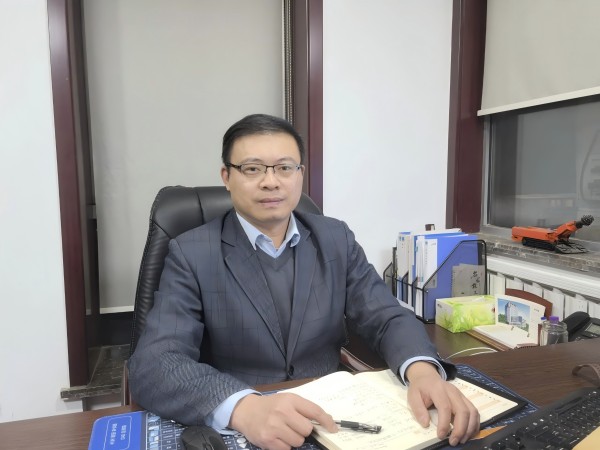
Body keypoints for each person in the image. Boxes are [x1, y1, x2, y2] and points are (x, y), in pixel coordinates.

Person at [128, 113, 480, 450]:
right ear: (227, 176)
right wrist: (243, 408)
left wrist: (421, 370)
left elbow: (385, 316)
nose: (271, 181)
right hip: (247, 423)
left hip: (333, 418)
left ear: (300, 174)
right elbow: (156, 362)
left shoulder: (335, 238)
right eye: (252, 168)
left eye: (284, 167)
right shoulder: (192, 252)